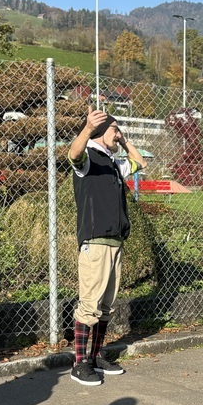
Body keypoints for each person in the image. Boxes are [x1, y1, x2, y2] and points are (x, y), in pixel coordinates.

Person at [67, 109, 146, 386]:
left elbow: (140, 163)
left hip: (115, 242)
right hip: (95, 241)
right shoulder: (89, 158)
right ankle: (79, 364)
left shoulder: (112, 163)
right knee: (89, 305)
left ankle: (96, 355)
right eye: (114, 129)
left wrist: (123, 141)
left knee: (105, 306)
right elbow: (73, 154)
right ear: (100, 132)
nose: (118, 133)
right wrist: (88, 129)